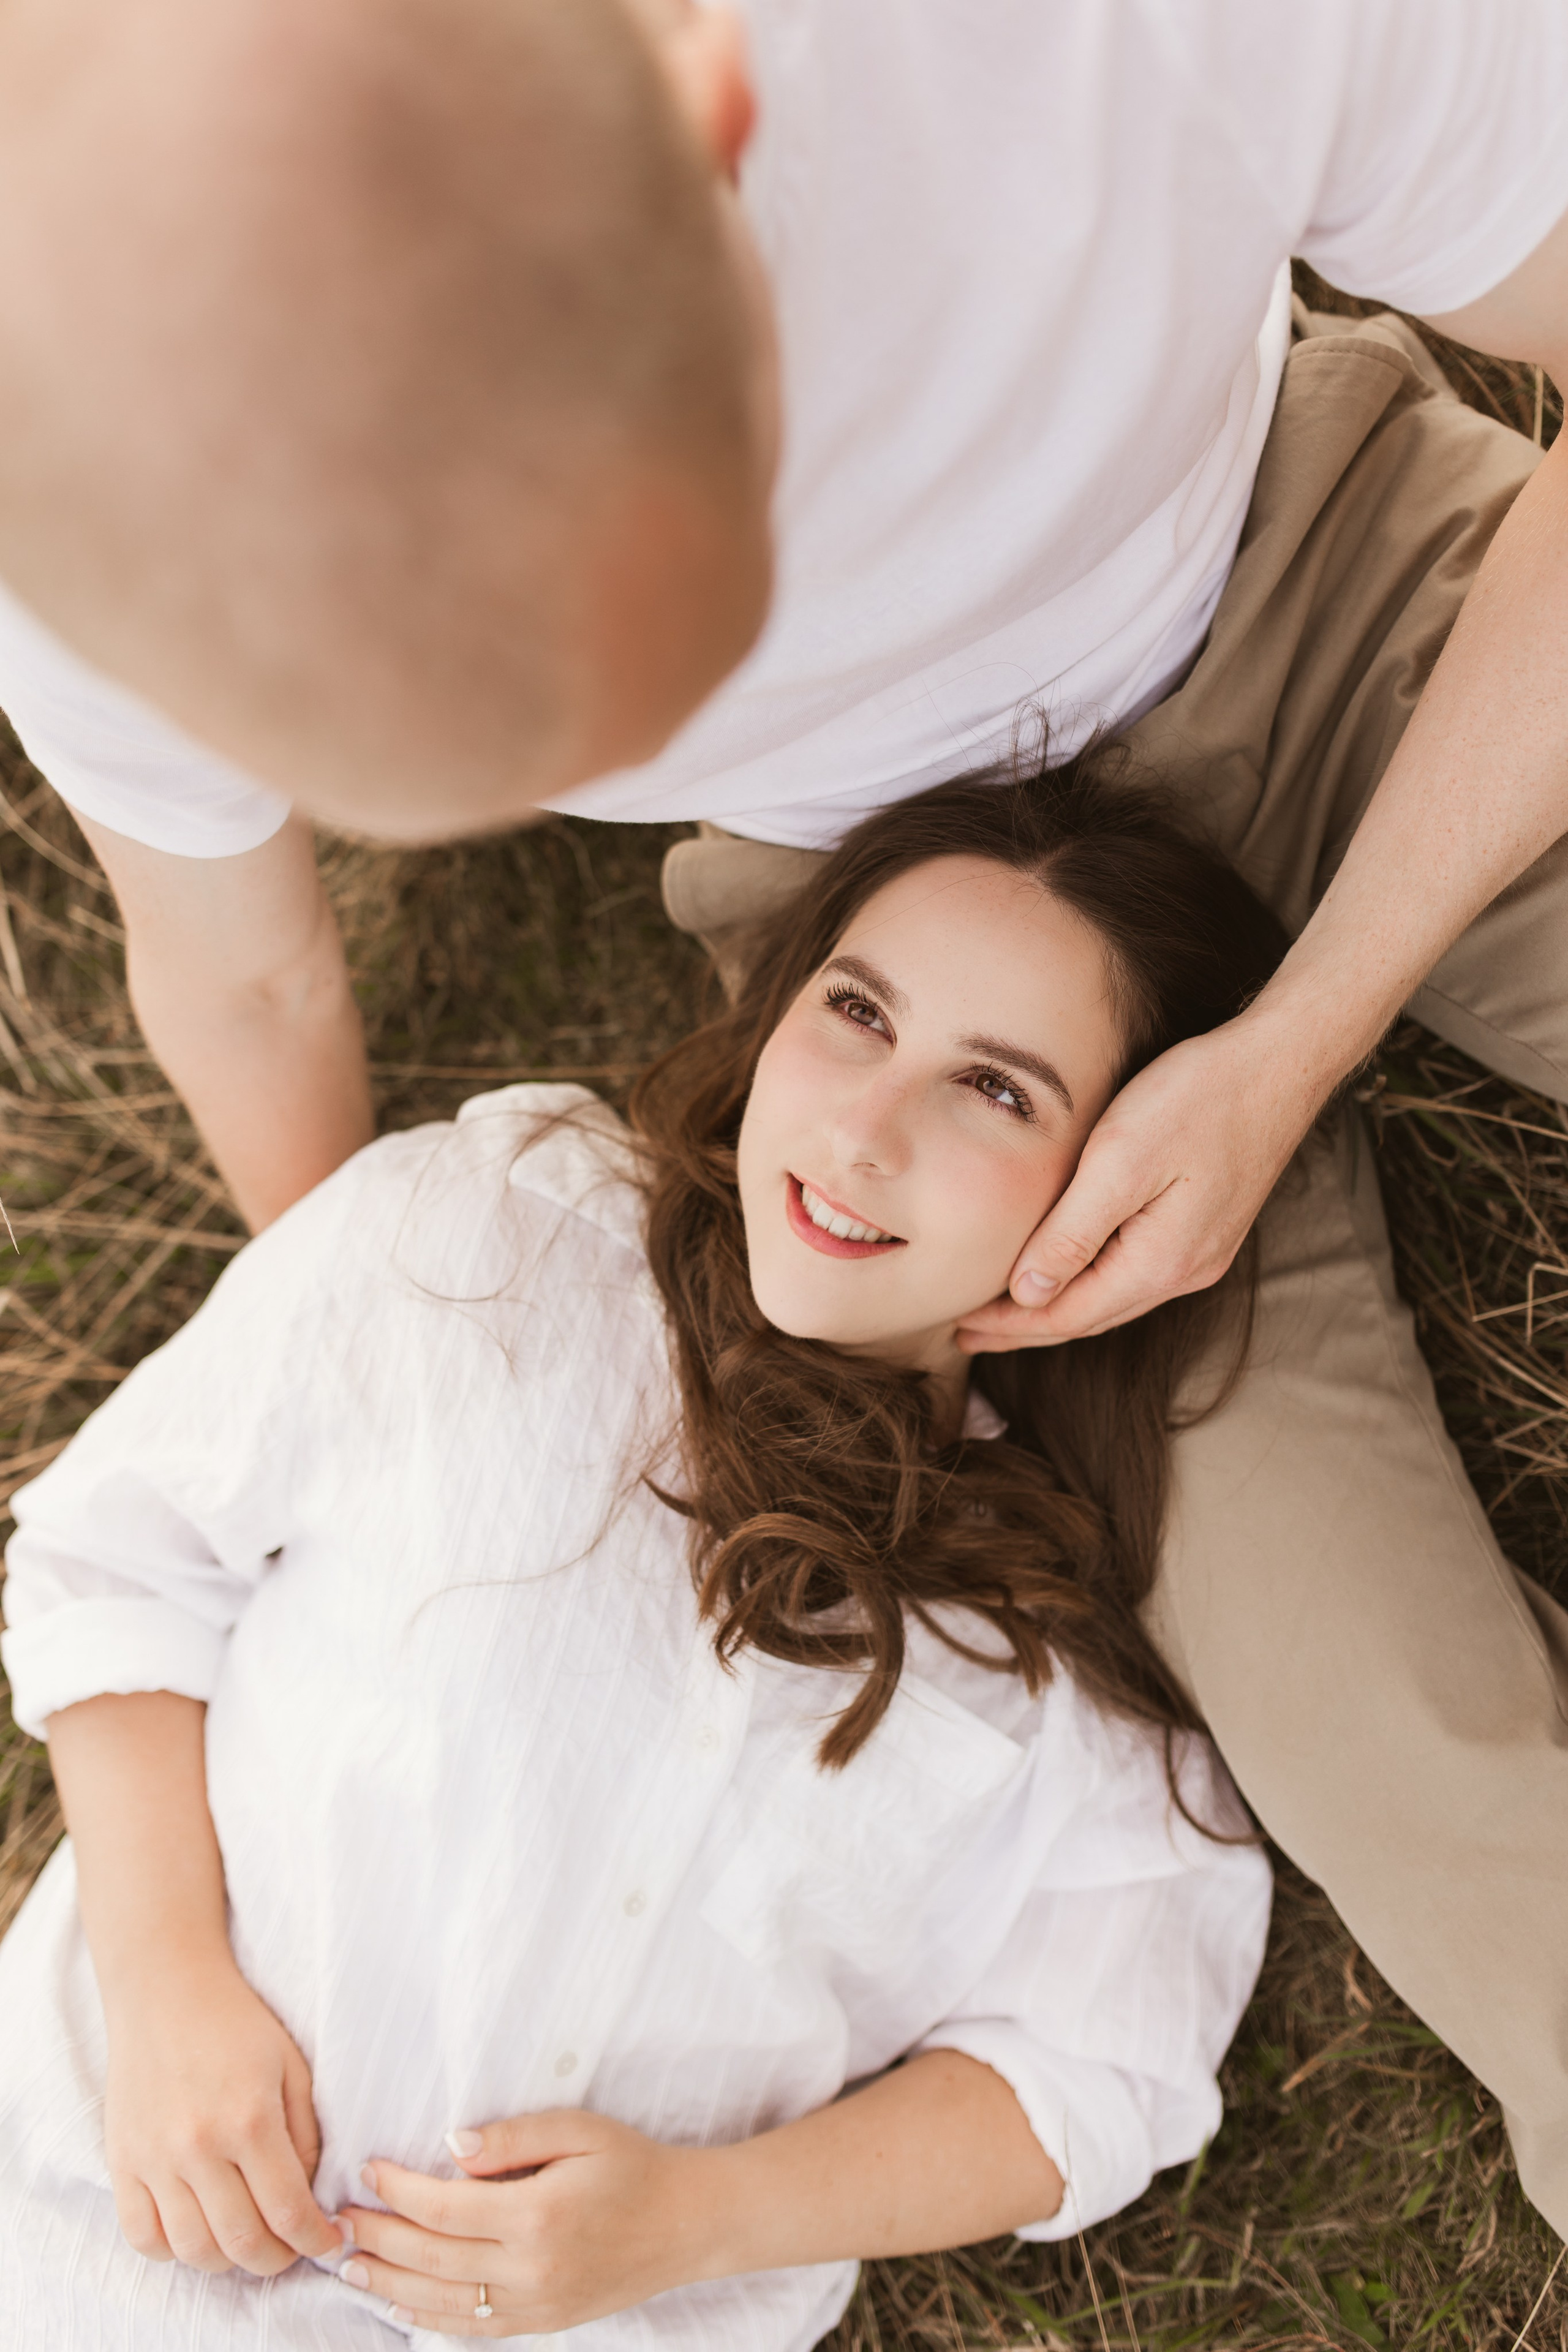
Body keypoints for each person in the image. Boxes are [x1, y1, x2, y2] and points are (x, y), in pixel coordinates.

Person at [2, 0, 1567, 2235]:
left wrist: (1310, 1024)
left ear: (719, 102)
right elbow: (244, 969)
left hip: (1329, 601)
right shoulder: (95, 424)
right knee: (1384, 1751)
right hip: (898, 961)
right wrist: (422, 1403)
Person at [0, 763, 1278, 2346]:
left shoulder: (1058, 1647)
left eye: (997, 1089)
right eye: (858, 1014)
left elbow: (1102, 2067)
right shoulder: (496, 1233)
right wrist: (167, 1984)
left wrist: (700, 2217)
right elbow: (121, 1552)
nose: (865, 1130)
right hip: (84, 2256)